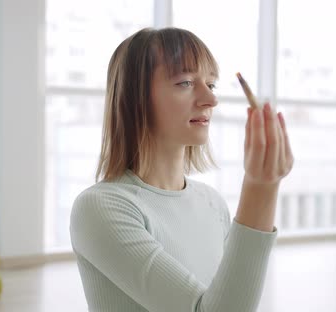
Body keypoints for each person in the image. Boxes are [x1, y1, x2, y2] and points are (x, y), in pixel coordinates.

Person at [70, 27, 294, 312]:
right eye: (186, 82)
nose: (210, 100)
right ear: (134, 98)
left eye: (211, 85)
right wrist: (261, 187)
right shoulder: (99, 208)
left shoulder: (212, 203)